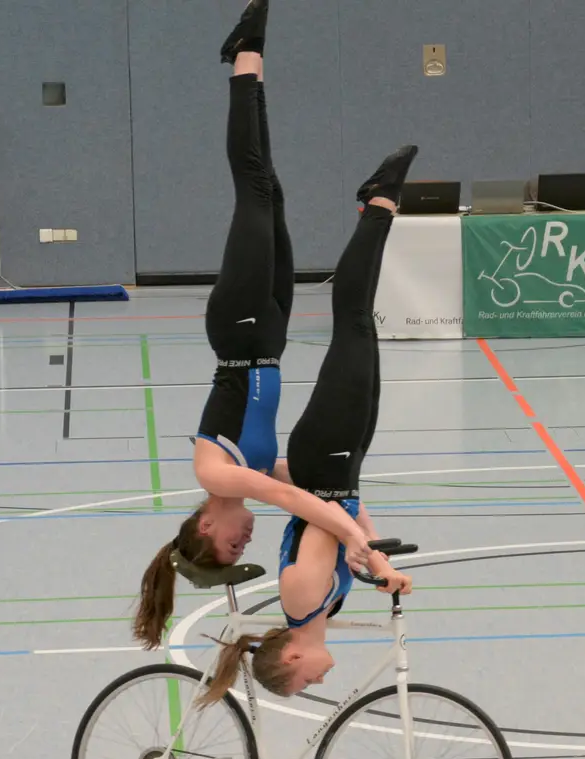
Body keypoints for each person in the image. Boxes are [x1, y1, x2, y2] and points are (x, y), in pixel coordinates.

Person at [134, 0, 379, 650]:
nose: (245, 541)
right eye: (243, 549)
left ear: (205, 528)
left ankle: (245, 59)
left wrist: (352, 538)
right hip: (267, 338)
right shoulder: (261, 467)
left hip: (239, 331)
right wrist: (366, 534)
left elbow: (295, 502)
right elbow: (320, 485)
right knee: (271, 189)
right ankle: (249, 60)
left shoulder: (216, 475)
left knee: (255, 189)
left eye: (231, 546)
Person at [197, 144, 422, 706]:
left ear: (291, 659)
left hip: (325, 457)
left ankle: (379, 203)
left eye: (304, 683)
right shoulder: (326, 605)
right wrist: (374, 554)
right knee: (359, 323)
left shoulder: (300, 598)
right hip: (340, 470)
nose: (319, 682)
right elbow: (342, 516)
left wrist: (369, 554)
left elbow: (326, 519)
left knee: (354, 320)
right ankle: (378, 205)